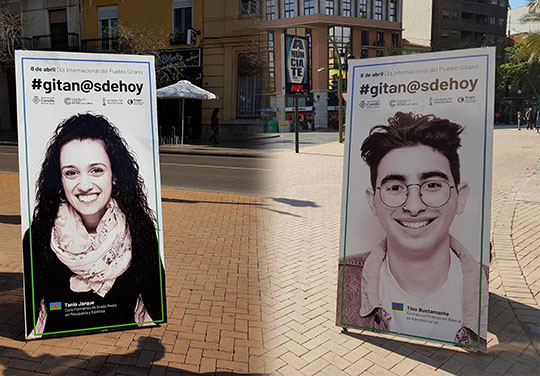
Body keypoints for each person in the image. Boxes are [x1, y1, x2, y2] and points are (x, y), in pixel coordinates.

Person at [337, 112, 488, 350]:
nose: (414, 206)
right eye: (395, 187)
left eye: (432, 185)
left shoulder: (483, 283)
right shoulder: (347, 279)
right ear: (372, 201)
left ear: (460, 197)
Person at [23, 113, 166, 338]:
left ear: (114, 175)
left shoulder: (140, 230)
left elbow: (155, 308)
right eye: (71, 173)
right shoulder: (38, 237)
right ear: (60, 180)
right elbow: (32, 318)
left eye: (96, 170)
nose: (85, 185)